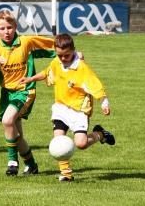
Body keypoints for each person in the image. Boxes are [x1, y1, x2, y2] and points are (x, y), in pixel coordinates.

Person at [19, 33, 115, 182]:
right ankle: (66, 173)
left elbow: (95, 84)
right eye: (60, 56)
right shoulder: (56, 62)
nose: (63, 59)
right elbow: (47, 73)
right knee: (59, 140)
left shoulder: (81, 68)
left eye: (67, 56)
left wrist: (104, 102)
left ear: (74, 51)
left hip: (78, 111)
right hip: (61, 108)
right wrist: (31, 78)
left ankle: (100, 134)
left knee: (81, 143)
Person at [0, 9, 56, 176]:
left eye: (10, 27)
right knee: (16, 135)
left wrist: (75, 54)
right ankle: (31, 165)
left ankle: (12, 161)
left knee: (7, 120)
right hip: (7, 94)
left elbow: (56, 47)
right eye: (2, 29)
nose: (7, 32)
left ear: (16, 26)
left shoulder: (26, 42)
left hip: (25, 91)